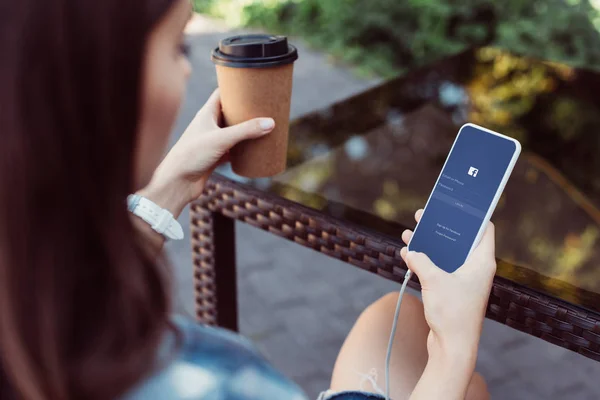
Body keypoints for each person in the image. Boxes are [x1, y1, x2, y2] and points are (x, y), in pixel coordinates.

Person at [0, 0, 494, 399]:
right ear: (99, 82)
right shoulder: (216, 385)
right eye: (179, 48)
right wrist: (455, 345)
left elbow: (78, 301)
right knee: (461, 380)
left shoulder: (28, 300)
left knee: (395, 313)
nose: (186, 75)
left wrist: (172, 184)